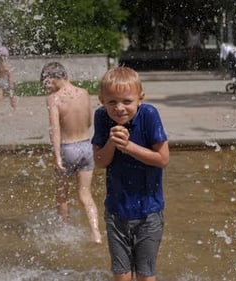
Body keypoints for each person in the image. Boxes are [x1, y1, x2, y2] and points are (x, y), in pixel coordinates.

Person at [91, 66, 169, 281]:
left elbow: (163, 159)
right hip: (116, 212)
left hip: (148, 213)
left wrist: (128, 147)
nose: (119, 108)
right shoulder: (102, 117)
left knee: (145, 274)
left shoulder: (149, 115)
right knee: (121, 275)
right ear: (101, 100)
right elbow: (100, 162)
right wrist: (112, 143)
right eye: (112, 102)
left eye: (127, 101)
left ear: (140, 98)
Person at [40, 62, 102, 244]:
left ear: (52, 78)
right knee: (85, 194)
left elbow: (55, 129)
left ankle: (64, 231)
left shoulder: (54, 99)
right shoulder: (83, 93)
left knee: (62, 196)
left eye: (47, 82)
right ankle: (96, 233)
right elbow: (89, 122)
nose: (46, 86)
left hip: (67, 149)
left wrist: (57, 156)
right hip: (85, 146)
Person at [0, 46, 16, 115]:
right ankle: (14, 108)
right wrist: (11, 83)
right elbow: (9, 75)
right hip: (7, 82)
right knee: (11, 96)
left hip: (0, 81)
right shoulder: (6, 65)